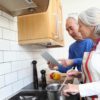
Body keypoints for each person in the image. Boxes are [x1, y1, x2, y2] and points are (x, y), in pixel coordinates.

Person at [62, 7, 100, 100]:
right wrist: (80, 75)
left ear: (91, 25)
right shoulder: (95, 46)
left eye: (80, 25)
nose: (78, 30)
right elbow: (95, 75)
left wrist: (78, 87)